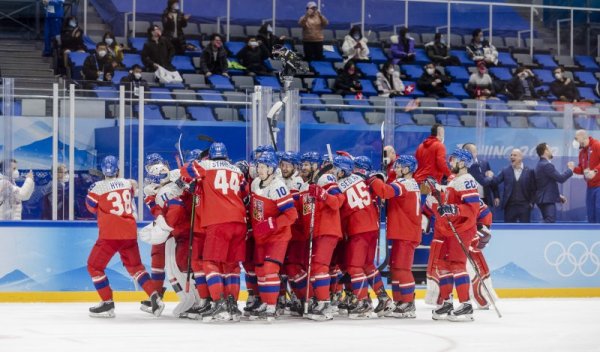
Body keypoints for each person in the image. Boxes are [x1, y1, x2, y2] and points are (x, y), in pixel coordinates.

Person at [85, 155, 165, 318]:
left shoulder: (97, 188)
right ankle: (155, 297)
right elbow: (132, 188)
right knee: (136, 268)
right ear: (118, 169)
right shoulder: (128, 183)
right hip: (129, 232)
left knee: (94, 266)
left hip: (110, 234)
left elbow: (91, 207)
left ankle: (107, 303)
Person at [179, 142, 247, 322]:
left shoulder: (205, 165)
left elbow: (185, 171)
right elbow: (244, 191)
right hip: (239, 221)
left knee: (209, 262)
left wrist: (196, 162)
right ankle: (232, 305)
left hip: (218, 221)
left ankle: (219, 303)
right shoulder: (236, 170)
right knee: (232, 265)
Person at [426, 148, 480, 322]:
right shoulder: (453, 179)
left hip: (462, 228)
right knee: (443, 264)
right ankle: (447, 302)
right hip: (449, 228)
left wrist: (453, 209)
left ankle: (466, 305)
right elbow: (448, 201)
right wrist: (437, 192)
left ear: (463, 163)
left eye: (454, 160)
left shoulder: (467, 180)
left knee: (457, 264)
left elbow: (473, 209)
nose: (450, 162)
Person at [369, 155, 421, 319]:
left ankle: (408, 303)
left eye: (400, 167)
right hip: (404, 232)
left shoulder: (404, 184)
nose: (396, 169)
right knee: (396, 267)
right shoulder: (408, 183)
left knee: (402, 268)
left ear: (408, 169)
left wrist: (372, 179)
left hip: (406, 232)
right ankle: (400, 301)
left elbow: (385, 191)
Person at [247, 152, 297, 321]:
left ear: (271, 169)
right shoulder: (255, 183)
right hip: (261, 237)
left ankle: (272, 306)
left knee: (270, 269)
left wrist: (270, 224)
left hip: (277, 237)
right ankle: (265, 302)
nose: (259, 170)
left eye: (262, 167)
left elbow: (291, 214)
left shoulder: (278, 186)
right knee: (260, 271)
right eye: (258, 166)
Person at [333, 156, 381, 319]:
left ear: (343, 170)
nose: (333, 172)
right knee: (368, 264)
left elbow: (339, 209)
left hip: (358, 228)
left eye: (336, 169)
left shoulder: (339, 185)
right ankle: (384, 298)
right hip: (372, 227)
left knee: (354, 267)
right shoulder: (359, 179)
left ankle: (363, 302)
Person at [299, 159, 344, 321]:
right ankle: (320, 301)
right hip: (315, 233)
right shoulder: (304, 186)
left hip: (327, 230)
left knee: (319, 267)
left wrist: (322, 194)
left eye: (308, 164)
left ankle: (325, 304)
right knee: (313, 268)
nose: (304, 167)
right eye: (303, 165)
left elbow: (338, 201)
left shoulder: (326, 180)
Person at [486, 149, 536, 223]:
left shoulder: (529, 171)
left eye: (514, 155)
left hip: (525, 206)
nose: (512, 157)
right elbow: (495, 181)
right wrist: (490, 177)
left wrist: (531, 203)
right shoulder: (505, 170)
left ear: (521, 157)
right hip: (510, 206)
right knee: (508, 230)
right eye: (511, 155)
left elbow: (534, 188)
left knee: (525, 230)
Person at [534, 143, 574, 223]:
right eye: (550, 148)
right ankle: (536, 232)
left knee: (548, 221)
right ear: (545, 151)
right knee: (549, 221)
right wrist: (570, 169)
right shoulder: (546, 165)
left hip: (544, 199)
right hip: (547, 200)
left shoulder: (540, 164)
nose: (551, 150)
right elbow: (561, 178)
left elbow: (546, 184)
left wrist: (558, 196)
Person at [573, 129, 600, 223]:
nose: (575, 141)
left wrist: (595, 171)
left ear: (583, 137)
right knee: (590, 213)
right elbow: (582, 169)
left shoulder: (597, 145)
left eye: (576, 139)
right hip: (590, 187)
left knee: (598, 210)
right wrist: (573, 168)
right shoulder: (582, 153)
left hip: (599, 185)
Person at [462, 143, 498, 207]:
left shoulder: (484, 163)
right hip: (469, 200)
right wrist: (490, 176)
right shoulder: (462, 165)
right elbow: (484, 181)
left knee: (486, 216)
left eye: (474, 151)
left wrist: (496, 196)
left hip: (484, 199)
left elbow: (492, 181)